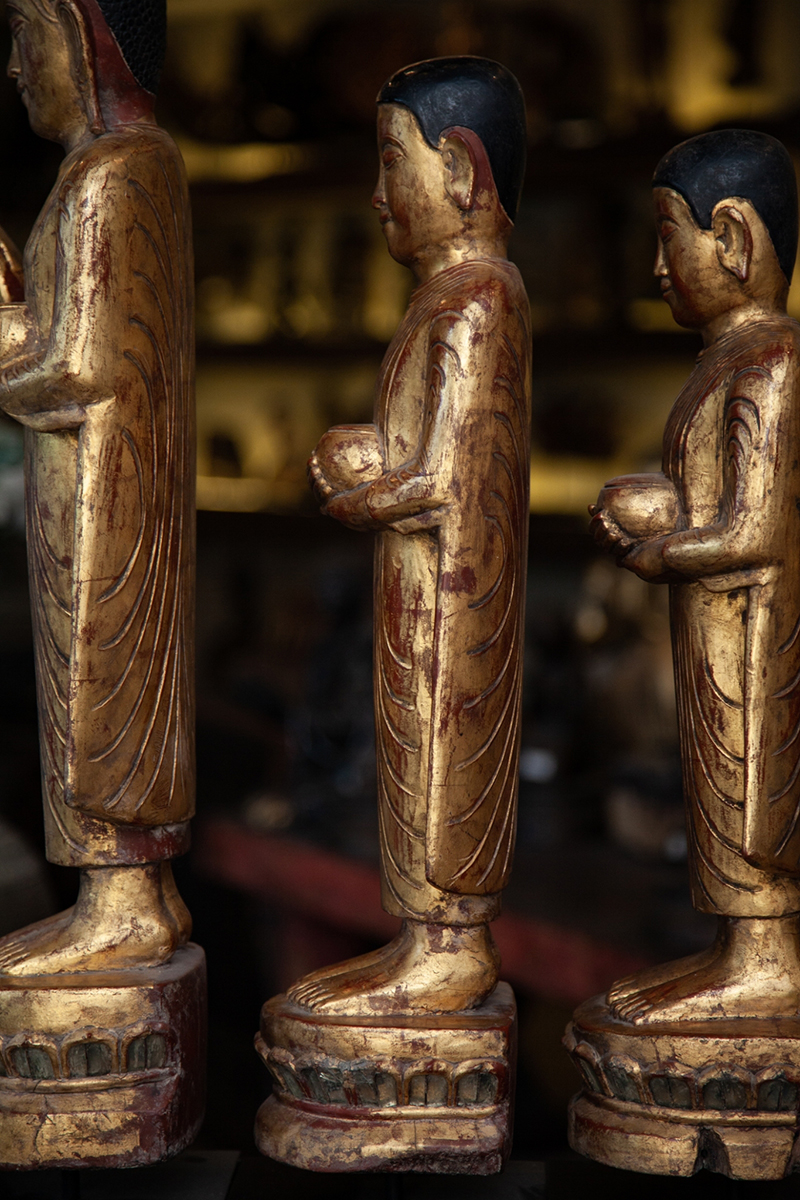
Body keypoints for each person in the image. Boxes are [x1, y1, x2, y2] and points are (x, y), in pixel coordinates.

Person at [299, 57, 531, 1015]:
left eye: (393, 161)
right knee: (408, 752)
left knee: (442, 759)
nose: (377, 192)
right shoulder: (443, 299)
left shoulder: (479, 299)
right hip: (416, 593)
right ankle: (422, 937)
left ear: (462, 171)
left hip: (452, 598)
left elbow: (442, 478)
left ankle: (449, 946)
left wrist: (361, 493)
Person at [0, 0, 194, 975]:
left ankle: (125, 901)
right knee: (76, 686)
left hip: (107, 498)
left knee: (100, 692)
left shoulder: (113, 172)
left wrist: (4, 333)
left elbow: (78, 368)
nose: (13, 65)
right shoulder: (101, 170)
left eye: (25, 34)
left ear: (85, 41)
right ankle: (113, 897)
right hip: (79, 489)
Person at [592, 129, 800, 1022]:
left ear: (735, 238)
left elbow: (754, 530)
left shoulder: (770, 362)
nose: (656, 266)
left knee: (749, 791)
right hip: (711, 629)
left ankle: (763, 960)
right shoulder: (724, 362)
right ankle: (735, 950)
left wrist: (660, 550)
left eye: (670, 236)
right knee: (713, 785)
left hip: (752, 632)